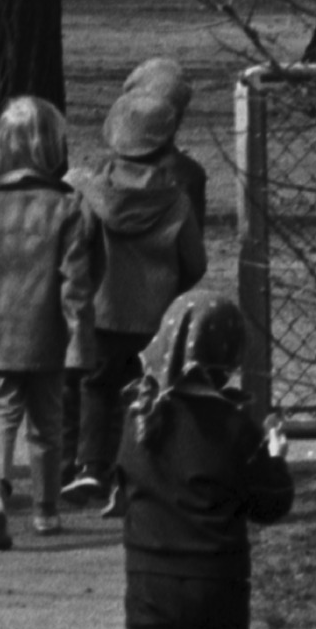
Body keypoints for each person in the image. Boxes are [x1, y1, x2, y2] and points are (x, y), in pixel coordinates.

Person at [116, 292, 296, 629]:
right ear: (227, 360)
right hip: (217, 581)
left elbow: (124, 486)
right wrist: (274, 457)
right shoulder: (234, 426)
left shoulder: (140, 417)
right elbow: (270, 504)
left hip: (150, 581)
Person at [65, 58, 209, 512]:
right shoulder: (177, 199)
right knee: (145, 392)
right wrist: (170, 286)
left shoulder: (93, 193)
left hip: (105, 310)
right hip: (154, 314)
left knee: (96, 387)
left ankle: (90, 466)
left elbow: (80, 249)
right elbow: (195, 261)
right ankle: (133, 475)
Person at [0, 94, 92, 548]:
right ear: (52, 148)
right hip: (46, 334)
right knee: (46, 423)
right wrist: (80, 339)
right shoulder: (66, 207)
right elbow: (76, 281)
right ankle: (45, 509)